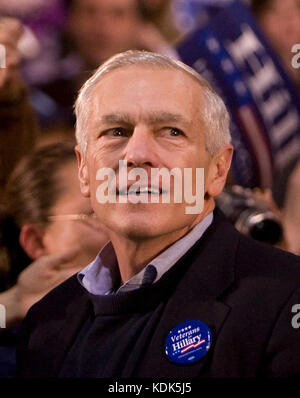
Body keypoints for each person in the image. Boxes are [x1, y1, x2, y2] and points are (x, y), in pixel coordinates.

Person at [17, 50, 300, 378]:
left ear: (217, 170)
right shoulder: (45, 323)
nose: (137, 155)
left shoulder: (286, 298)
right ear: (84, 170)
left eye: (171, 131)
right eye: (116, 132)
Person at [0, 142, 108, 377]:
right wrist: (15, 303)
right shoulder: (15, 355)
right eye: (95, 213)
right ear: (37, 241)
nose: (121, 225)